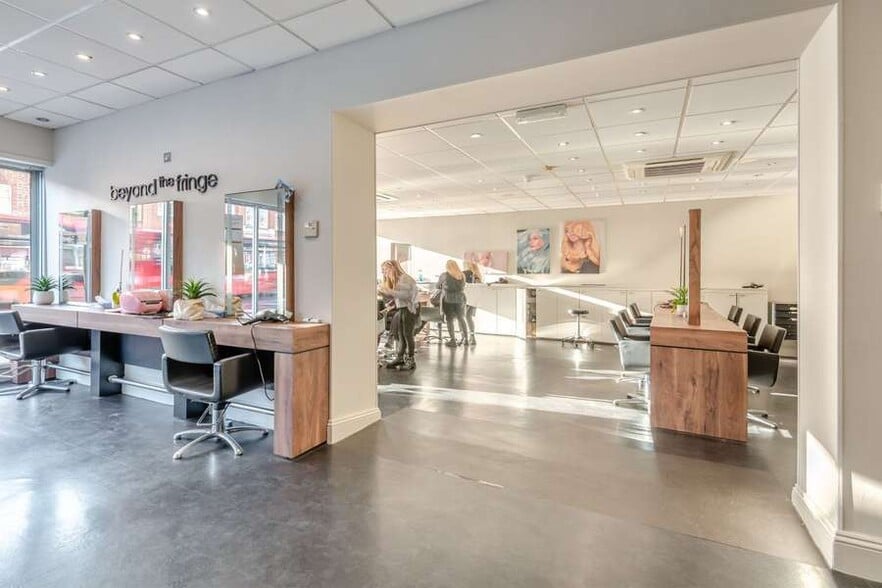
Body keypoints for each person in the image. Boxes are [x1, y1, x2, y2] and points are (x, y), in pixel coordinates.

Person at [377, 260, 419, 370]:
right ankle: (400, 357)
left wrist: (389, 291)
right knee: (401, 335)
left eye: (385, 270)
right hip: (403, 308)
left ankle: (410, 360)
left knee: (407, 335)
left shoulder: (405, 278)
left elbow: (406, 295)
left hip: (409, 309)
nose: (384, 273)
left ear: (393, 268)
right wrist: (386, 294)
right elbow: (399, 296)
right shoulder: (399, 279)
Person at [436, 259, 469, 348]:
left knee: (449, 320)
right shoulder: (462, 275)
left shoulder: (444, 275)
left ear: (447, 267)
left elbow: (437, 286)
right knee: (461, 318)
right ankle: (466, 339)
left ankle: (453, 340)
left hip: (448, 299)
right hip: (460, 299)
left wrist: (443, 286)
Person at [462, 259, 483, 346]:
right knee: (469, 317)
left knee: (462, 318)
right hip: (474, 300)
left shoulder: (464, 273)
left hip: (466, 299)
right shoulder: (478, 275)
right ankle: (472, 337)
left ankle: (464, 338)